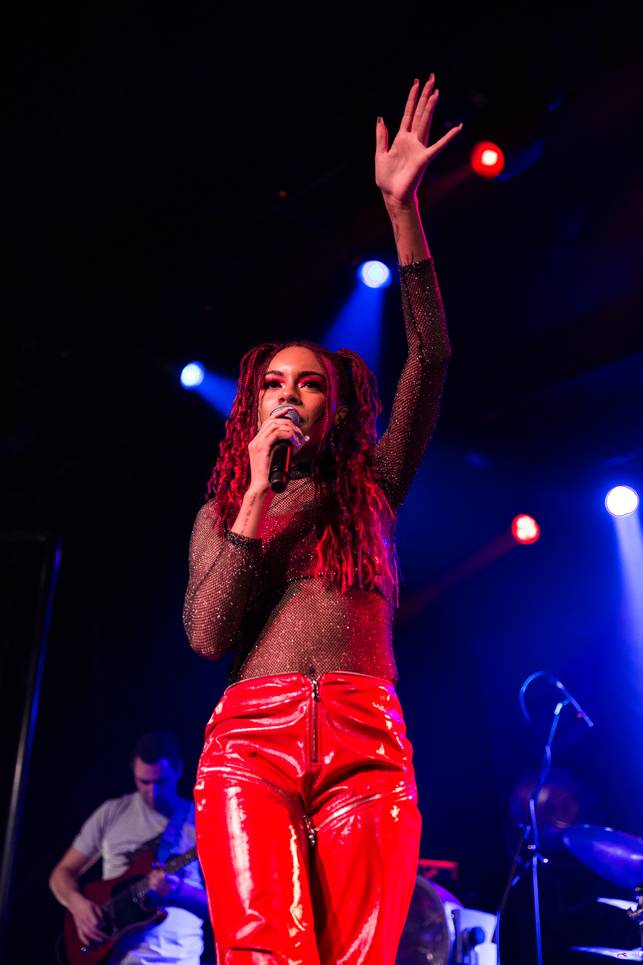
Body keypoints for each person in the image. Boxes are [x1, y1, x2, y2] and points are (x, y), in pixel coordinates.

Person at [184, 77, 461, 965]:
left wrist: (402, 210)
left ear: (337, 405)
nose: (292, 394)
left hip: (364, 735)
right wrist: (255, 503)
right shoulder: (227, 506)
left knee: (360, 956)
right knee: (266, 954)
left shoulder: (371, 484)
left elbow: (431, 355)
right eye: (275, 382)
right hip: (249, 746)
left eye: (311, 383)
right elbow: (206, 634)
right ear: (250, 403)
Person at [49, 731, 209, 965]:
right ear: (132, 769)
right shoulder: (111, 812)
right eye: (144, 782)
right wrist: (78, 905)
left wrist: (181, 891)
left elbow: (227, 909)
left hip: (177, 958)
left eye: (161, 781)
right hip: (112, 957)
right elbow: (60, 874)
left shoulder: (204, 822)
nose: (153, 792)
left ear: (179, 770)